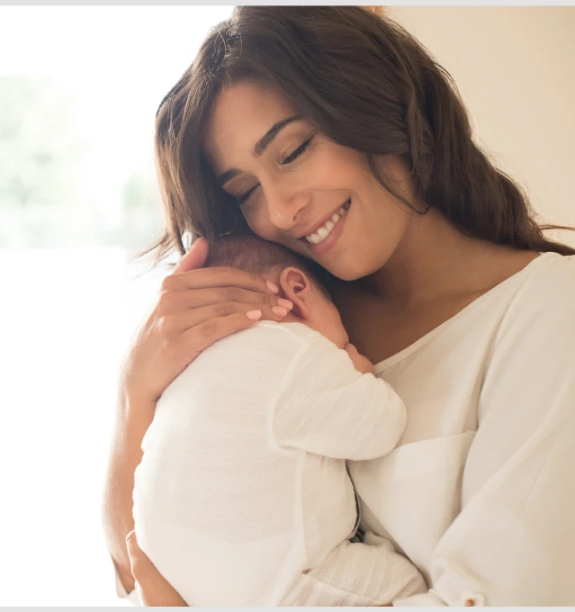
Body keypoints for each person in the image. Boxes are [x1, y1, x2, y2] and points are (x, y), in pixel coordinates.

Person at [102, 5, 575, 607]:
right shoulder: (283, 329)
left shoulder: (548, 314)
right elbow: (138, 568)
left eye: (294, 150)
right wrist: (134, 395)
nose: (279, 210)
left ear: (378, 104)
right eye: (244, 192)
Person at [132, 233, 427, 606]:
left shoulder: (182, 375)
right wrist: (359, 369)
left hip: (176, 576)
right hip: (276, 588)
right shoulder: (296, 349)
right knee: (406, 587)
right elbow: (381, 427)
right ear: (297, 289)